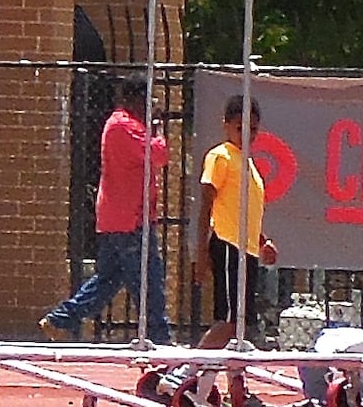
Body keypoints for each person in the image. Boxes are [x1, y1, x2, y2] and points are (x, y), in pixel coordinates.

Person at [43, 76, 172, 344]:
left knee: (108, 280)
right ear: (134, 100)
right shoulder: (123, 126)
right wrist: (158, 129)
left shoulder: (125, 125)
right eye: (148, 101)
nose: (152, 107)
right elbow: (158, 155)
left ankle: (61, 319)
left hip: (119, 217)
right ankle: (160, 341)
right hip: (129, 219)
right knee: (149, 283)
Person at [190, 94, 277, 351]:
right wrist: (202, 253)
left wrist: (262, 242)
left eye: (253, 129)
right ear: (226, 125)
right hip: (228, 246)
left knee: (240, 324)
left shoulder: (248, 164)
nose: (247, 135)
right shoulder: (221, 156)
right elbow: (206, 205)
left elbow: (243, 212)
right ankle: (184, 373)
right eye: (240, 128)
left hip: (247, 251)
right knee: (228, 321)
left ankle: (230, 386)